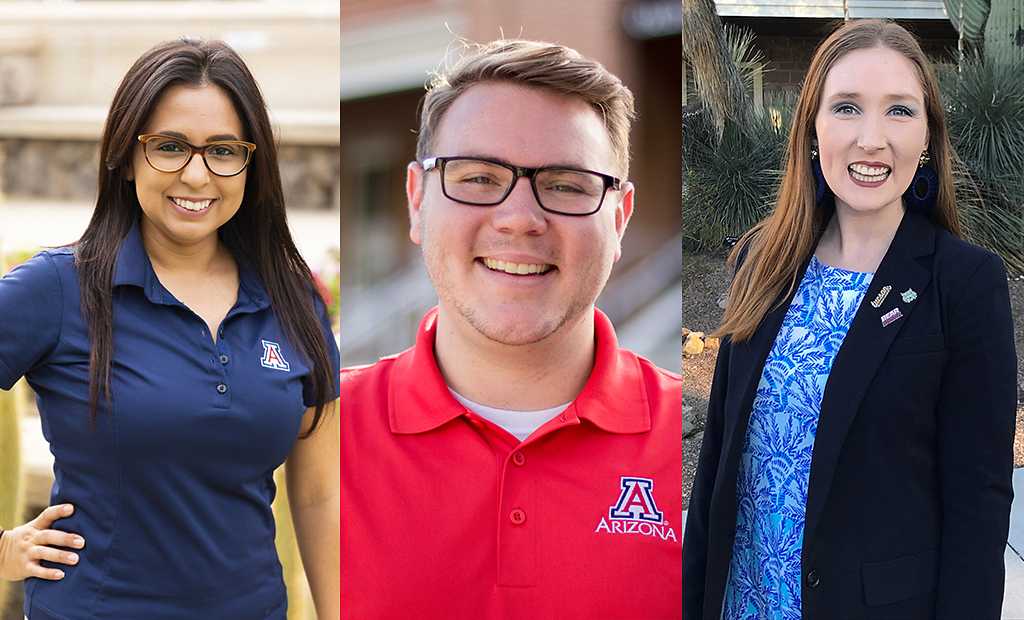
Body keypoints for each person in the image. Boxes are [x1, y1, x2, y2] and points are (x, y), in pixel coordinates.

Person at [682, 19, 1017, 620]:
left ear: (927, 137)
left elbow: (978, 504)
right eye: (846, 108)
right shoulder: (762, 260)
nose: (871, 139)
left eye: (898, 111)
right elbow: (716, 468)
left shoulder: (964, 284)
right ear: (812, 130)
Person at [340, 39, 682, 619]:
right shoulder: (320, 429)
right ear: (417, 200)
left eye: (567, 184)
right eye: (477, 178)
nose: (521, 218)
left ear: (619, 218)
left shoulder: (711, 442)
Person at [0, 39, 340, 619]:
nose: (197, 174)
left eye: (223, 150)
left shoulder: (293, 298)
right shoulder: (56, 290)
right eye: (170, 147)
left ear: (251, 166)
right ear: (127, 156)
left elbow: (319, 494)